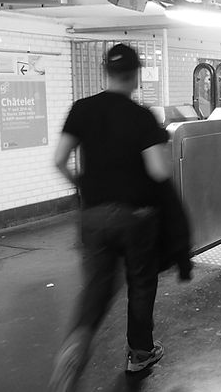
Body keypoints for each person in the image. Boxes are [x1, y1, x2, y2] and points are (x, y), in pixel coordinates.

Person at [49, 44, 170, 391]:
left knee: (98, 286)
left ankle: (77, 342)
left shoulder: (82, 109)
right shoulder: (142, 116)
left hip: (93, 216)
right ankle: (140, 352)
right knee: (141, 283)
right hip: (135, 218)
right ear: (135, 75)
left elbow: (58, 159)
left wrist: (82, 187)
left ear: (106, 71)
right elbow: (159, 170)